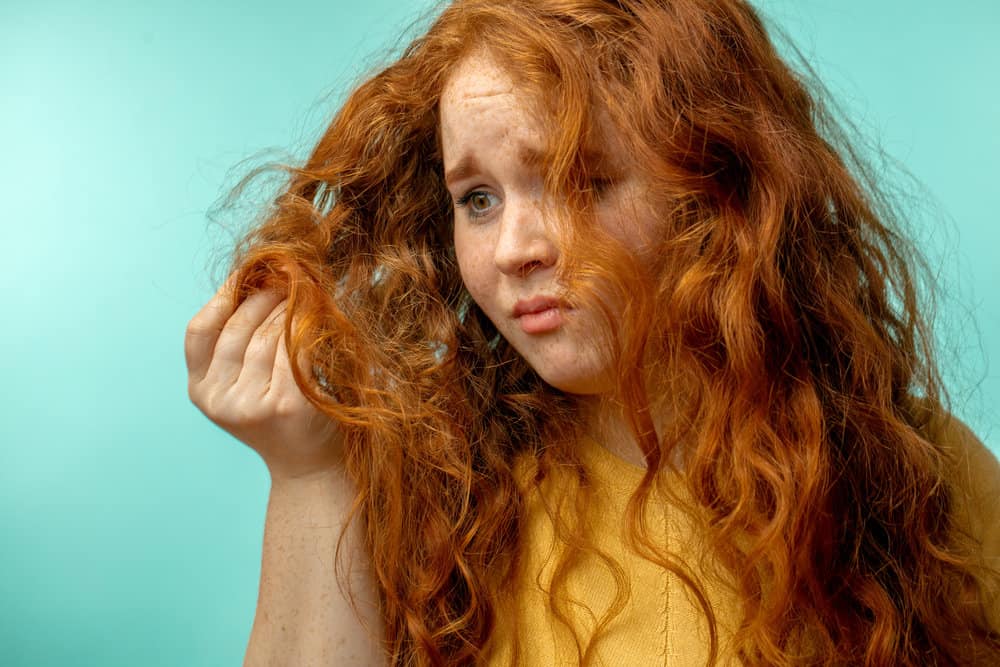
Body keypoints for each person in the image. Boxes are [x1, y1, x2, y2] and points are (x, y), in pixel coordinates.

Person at [184, 0, 1000, 664]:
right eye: (478, 199)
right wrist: (307, 474)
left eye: (581, 180)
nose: (513, 250)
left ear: (716, 191)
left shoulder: (911, 467)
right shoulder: (444, 495)